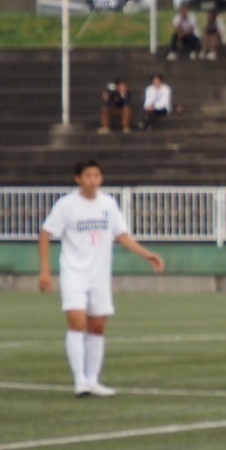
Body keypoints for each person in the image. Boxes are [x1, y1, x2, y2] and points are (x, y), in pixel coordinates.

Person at [37, 158, 165, 397]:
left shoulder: (108, 204)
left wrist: (146, 254)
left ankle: (93, 380)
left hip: (99, 275)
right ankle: (80, 381)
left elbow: (122, 235)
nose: (93, 180)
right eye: (88, 176)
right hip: (74, 273)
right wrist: (45, 269)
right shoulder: (66, 205)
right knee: (77, 322)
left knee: (97, 326)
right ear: (78, 179)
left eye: (97, 175)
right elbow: (46, 234)